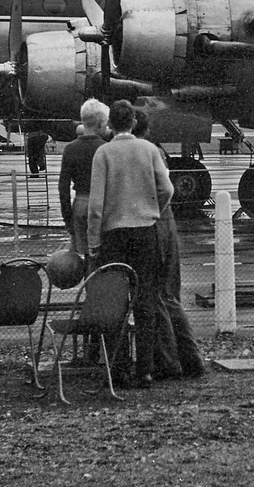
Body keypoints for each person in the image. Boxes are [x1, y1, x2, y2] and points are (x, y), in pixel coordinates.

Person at [86, 99, 173, 388]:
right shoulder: (149, 149)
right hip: (145, 230)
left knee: (116, 302)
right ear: (134, 123)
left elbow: (96, 205)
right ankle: (145, 370)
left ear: (110, 124)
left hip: (114, 235)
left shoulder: (104, 153)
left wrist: (93, 241)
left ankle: (120, 367)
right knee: (145, 299)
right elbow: (167, 188)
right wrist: (154, 209)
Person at [132, 109, 206, 380]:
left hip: (156, 224)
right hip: (166, 223)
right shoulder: (155, 151)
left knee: (159, 297)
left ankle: (172, 361)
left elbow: (164, 190)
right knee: (167, 297)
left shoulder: (145, 152)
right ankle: (188, 359)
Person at [58, 100, 110, 256]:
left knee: (82, 255)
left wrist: (68, 218)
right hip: (103, 205)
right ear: (100, 123)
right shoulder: (105, 148)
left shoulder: (70, 149)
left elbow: (63, 187)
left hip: (80, 203)